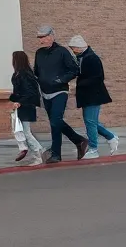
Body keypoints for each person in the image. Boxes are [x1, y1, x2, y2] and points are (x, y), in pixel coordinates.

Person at [33, 25, 87, 163]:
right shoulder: (39, 53)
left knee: (56, 120)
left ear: (51, 36)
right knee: (54, 123)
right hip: (45, 92)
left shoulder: (62, 52)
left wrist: (61, 79)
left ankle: (72, 143)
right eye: (40, 37)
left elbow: (74, 70)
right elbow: (37, 71)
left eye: (43, 37)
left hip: (59, 92)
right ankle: (61, 151)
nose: (41, 40)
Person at [70, 36, 118, 159]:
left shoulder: (91, 58)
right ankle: (111, 137)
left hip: (93, 95)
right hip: (88, 95)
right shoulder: (82, 58)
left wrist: (79, 85)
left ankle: (94, 148)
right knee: (91, 122)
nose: (72, 50)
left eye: (73, 48)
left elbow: (98, 77)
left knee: (90, 122)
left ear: (79, 47)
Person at [9, 50, 44, 166]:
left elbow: (29, 92)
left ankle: (37, 154)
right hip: (24, 105)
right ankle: (38, 151)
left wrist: (19, 101)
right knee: (22, 130)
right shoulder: (21, 73)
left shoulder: (24, 74)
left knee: (25, 131)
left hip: (26, 105)